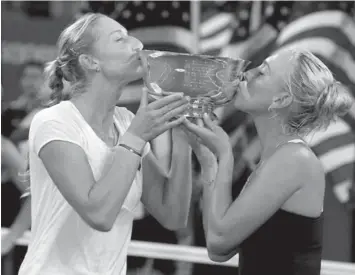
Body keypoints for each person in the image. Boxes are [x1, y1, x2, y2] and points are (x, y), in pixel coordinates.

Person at [19, 13, 194, 275]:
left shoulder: (126, 121)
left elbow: (173, 216)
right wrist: (136, 137)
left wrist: (183, 140)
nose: (137, 45)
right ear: (91, 61)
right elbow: (99, 214)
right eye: (119, 39)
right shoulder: (54, 121)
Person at [182, 49, 353, 275]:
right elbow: (219, 251)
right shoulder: (276, 158)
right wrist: (208, 159)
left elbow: (218, 240)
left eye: (262, 72)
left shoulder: (293, 159)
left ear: (281, 100)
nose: (247, 74)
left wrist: (225, 155)